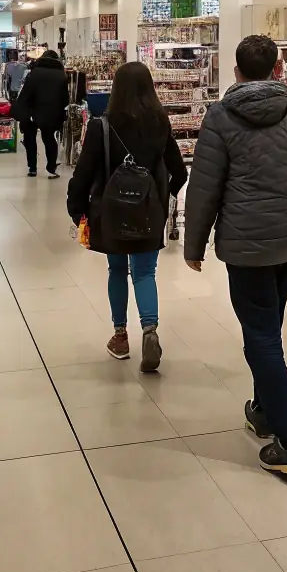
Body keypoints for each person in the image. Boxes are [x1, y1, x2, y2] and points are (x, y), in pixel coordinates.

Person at [185, 34, 287, 475]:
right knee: (268, 327)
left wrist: (194, 243)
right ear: (279, 69)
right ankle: (263, 410)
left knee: (261, 335)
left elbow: (205, 186)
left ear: (236, 72)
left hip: (243, 243)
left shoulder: (219, 117)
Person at [66, 62, 188, 370]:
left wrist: (77, 209)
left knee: (117, 270)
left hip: (112, 213)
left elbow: (84, 173)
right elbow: (179, 171)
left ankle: (120, 336)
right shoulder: (161, 124)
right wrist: (163, 199)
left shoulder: (101, 126)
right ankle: (150, 329)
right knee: (145, 273)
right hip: (149, 214)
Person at [12, 49, 68, 178]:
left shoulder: (34, 73)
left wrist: (22, 110)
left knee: (30, 138)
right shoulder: (61, 75)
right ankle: (51, 168)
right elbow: (65, 99)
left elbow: (26, 93)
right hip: (51, 112)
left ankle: (32, 168)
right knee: (49, 139)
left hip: (32, 111)